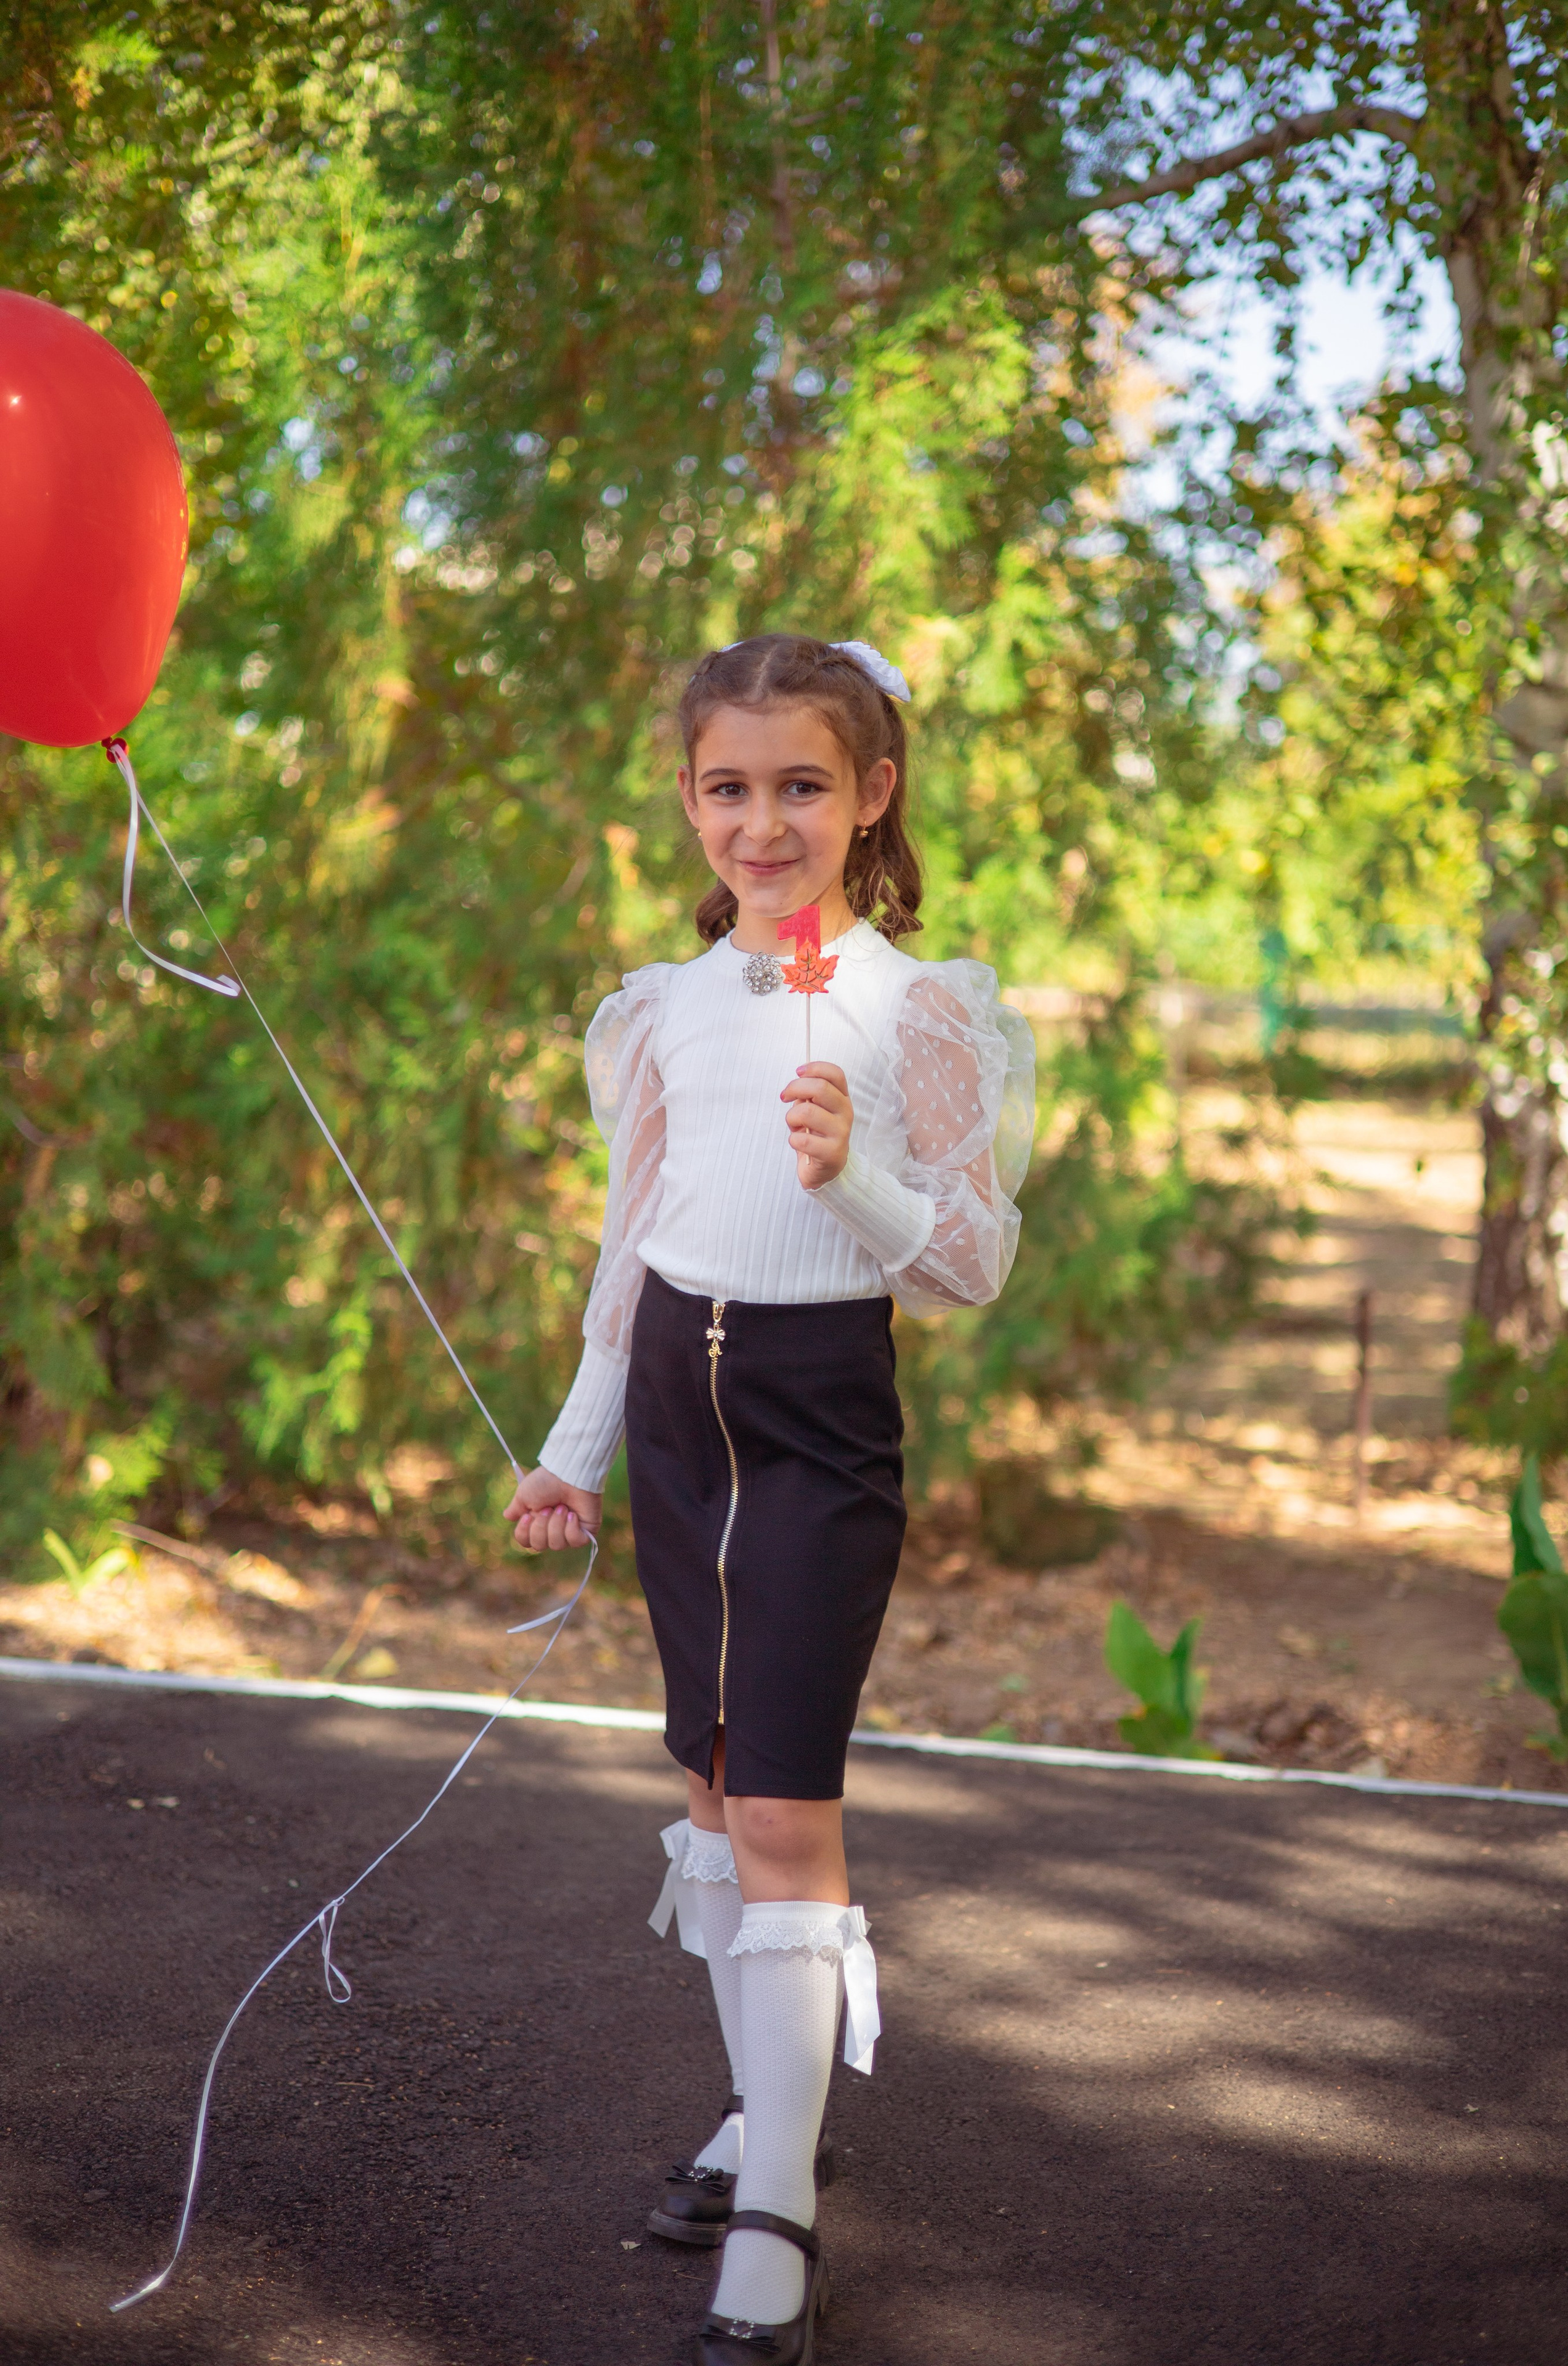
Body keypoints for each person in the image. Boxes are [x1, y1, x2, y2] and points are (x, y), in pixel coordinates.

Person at [504, 632, 1034, 2364]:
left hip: (814, 1420)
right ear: (688, 800)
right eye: (728, 788)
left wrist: (858, 1172)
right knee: (716, 1792)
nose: (761, 821)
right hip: (674, 1401)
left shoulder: (915, 1002)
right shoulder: (660, 1007)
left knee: (791, 1806)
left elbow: (969, 1266)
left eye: (800, 785)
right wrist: (574, 1450)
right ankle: (763, 2115)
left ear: (870, 794)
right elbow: (630, 1252)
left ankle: (783, 2218)